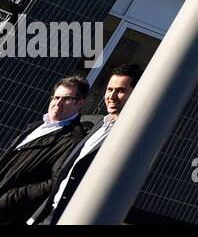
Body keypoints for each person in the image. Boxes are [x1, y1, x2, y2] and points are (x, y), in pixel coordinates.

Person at [29, 64, 141, 225]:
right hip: (51, 212)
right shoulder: (94, 124)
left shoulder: (131, 135)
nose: (112, 96)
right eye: (110, 89)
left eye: (121, 90)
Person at [0, 76, 89, 224]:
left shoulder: (72, 139)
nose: (58, 103)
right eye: (56, 97)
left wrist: (7, 199)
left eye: (66, 99)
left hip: (10, 215)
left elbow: (55, 182)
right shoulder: (35, 126)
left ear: (80, 103)